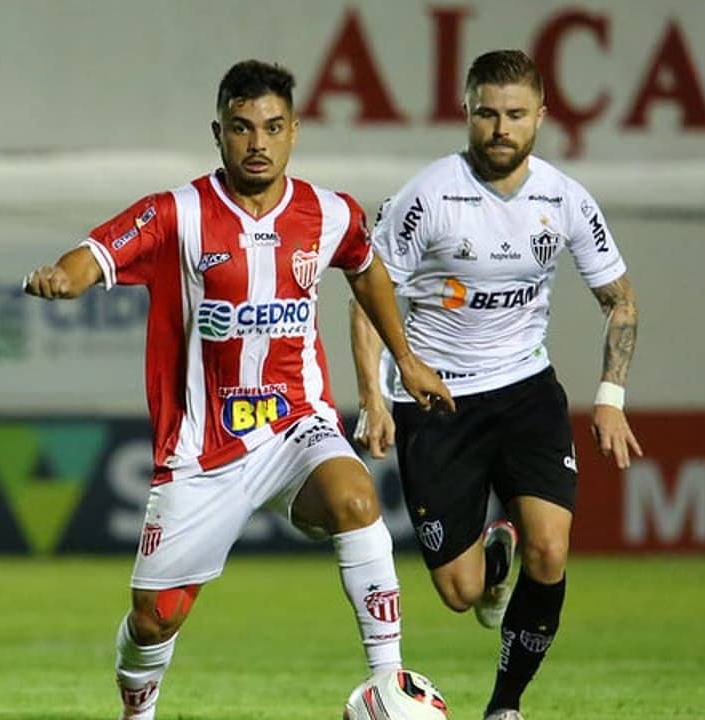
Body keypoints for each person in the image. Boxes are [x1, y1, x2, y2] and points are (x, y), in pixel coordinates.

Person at [23, 59, 454, 720]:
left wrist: (404, 359)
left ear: (295, 132)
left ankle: (388, 686)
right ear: (218, 133)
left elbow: (365, 270)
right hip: (205, 448)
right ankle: (138, 711)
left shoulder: (329, 213)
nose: (258, 142)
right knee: (155, 619)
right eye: (242, 128)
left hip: (296, 426)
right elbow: (98, 253)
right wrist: (64, 277)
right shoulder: (177, 214)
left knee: (357, 498)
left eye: (273, 127)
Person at [349, 49, 642, 720]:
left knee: (552, 547)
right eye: (487, 114)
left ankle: (504, 707)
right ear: (467, 112)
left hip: (524, 391)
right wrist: (374, 397)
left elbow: (621, 301)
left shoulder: (564, 200)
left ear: (542, 116)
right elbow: (368, 293)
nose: (501, 129)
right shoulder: (427, 196)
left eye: (515, 115)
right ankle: (491, 566)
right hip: (435, 398)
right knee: (459, 592)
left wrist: (610, 397)